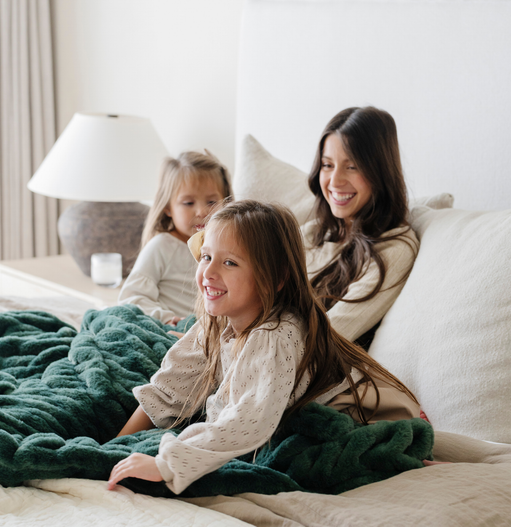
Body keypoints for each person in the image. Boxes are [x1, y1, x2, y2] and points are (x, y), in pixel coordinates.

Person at [108, 200, 423, 495]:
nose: (209, 273)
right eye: (206, 256)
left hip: (364, 412)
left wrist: (166, 465)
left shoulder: (274, 335)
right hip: (290, 408)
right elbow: (168, 390)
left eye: (229, 262)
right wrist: (113, 447)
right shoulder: (218, 317)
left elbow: (246, 422)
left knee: (300, 459)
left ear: (274, 279)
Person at [304, 106, 419, 348]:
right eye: (327, 165)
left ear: (380, 171)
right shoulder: (312, 232)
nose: (335, 181)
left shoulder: (393, 250)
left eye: (352, 166)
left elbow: (328, 336)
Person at [118, 150, 232, 325]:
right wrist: (167, 319)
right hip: (172, 330)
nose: (201, 212)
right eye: (188, 203)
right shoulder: (162, 246)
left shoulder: (231, 249)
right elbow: (131, 298)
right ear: (168, 208)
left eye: (211, 202)